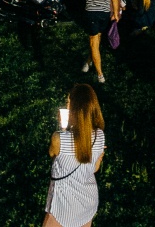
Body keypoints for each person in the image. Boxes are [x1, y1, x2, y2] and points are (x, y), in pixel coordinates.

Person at [43, 84, 106, 227]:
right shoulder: (100, 135)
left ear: (75, 109)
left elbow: (52, 154)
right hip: (87, 203)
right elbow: (94, 169)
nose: (67, 105)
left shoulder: (58, 139)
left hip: (63, 207)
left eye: (68, 102)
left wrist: (63, 130)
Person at [78, 0, 120, 84]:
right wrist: (115, 13)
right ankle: (88, 63)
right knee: (96, 40)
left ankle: (100, 74)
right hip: (105, 12)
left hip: (91, 11)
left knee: (94, 42)